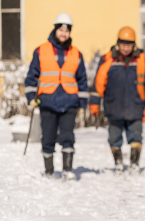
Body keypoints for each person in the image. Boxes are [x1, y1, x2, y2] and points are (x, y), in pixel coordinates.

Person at [24, 13, 88, 180]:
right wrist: (31, 97)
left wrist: (82, 103)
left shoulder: (76, 53)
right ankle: (49, 172)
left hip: (69, 102)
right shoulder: (41, 51)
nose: (63, 34)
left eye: (66, 31)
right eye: (60, 30)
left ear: (70, 33)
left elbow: (82, 79)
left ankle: (67, 170)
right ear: (55, 30)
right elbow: (32, 77)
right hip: (47, 101)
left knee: (68, 137)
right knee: (48, 137)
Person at [89, 26, 145, 173]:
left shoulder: (143, 61)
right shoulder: (107, 60)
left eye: (129, 45)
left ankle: (134, 164)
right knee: (114, 138)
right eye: (123, 44)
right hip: (114, 107)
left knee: (136, 137)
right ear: (118, 43)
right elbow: (98, 84)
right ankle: (118, 163)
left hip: (136, 107)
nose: (126, 48)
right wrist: (94, 103)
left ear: (134, 45)